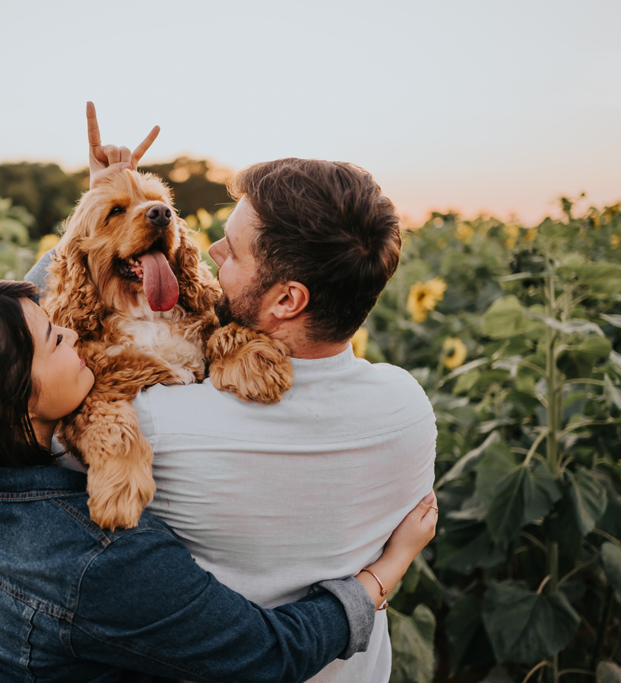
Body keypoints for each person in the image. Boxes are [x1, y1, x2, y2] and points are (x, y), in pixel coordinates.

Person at [0, 279, 438, 682]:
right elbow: (264, 655)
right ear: (13, 401)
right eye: (57, 338)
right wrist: (384, 573)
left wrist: (107, 196)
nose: (74, 334)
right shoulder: (95, 562)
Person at [25, 105, 438, 683]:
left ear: (288, 300)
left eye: (232, 249)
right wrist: (383, 577)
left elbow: (26, 367)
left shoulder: (155, 424)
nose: (209, 254)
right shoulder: (408, 408)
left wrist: (88, 223)